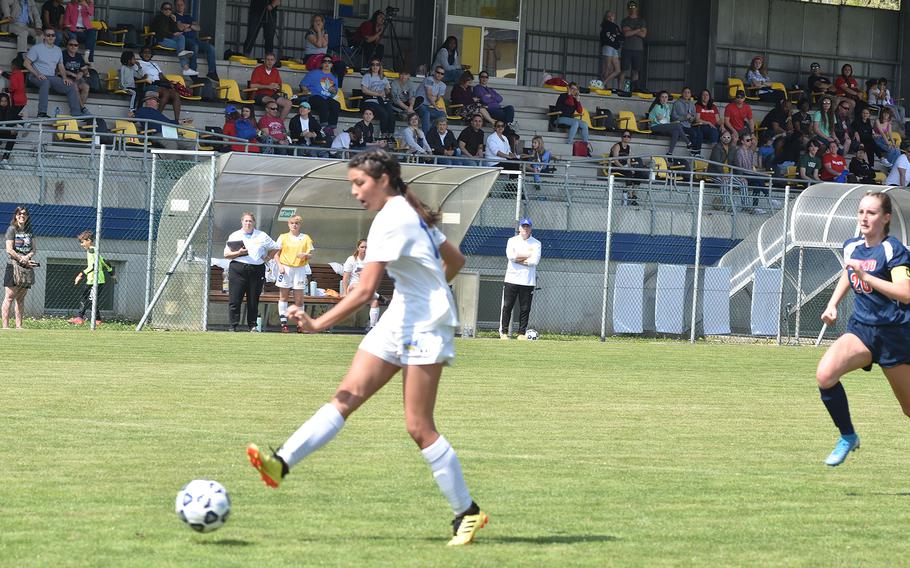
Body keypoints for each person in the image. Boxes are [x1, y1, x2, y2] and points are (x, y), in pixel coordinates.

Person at [247, 150, 488, 548]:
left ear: (383, 180)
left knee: (418, 427)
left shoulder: (392, 218)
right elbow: (456, 260)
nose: (355, 192)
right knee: (345, 396)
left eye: (359, 183)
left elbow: (363, 291)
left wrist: (318, 323)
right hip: (402, 316)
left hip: (424, 324)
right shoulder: (407, 212)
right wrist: (427, 287)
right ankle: (281, 462)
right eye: (352, 184)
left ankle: (469, 512)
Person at [815, 191, 910, 466]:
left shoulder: (894, 250)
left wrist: (866, 275)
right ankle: (847, 436)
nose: (864, 218)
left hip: (895, 335)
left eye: (871, 213)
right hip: (862, 331)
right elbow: (849, 273)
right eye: (861, 212)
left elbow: (905, 293)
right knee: (825, 376)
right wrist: (833, 304)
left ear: (886, 217)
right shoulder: (852, 246)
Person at [224, 211, 279, 332]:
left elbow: (276, 247)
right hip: (238, 269)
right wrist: (239, 253)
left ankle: (252, 325)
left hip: (256, 269)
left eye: (250, 221)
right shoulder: (235, 235)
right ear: (242, 222)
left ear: (254, 223)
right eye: (246, 221)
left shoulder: (262, 235)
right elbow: (226, 254)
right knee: (235, 299)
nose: (248, 223)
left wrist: (268, 257)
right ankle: (233, 326)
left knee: (253, 299)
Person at [24, 27, 85, 117]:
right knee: (45, 82)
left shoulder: (58, 50)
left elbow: (60, 65)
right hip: (35, 76)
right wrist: (37, 74)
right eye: (48, 35)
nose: (51, 37)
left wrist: (64, 77)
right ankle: (42, 113)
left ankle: (76, 113)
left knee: (71, 86)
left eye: (53, 35)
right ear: (44, 37)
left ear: (55, 37)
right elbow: (26, 63)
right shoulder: (36, 48)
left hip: (52, 77)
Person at [500, 217, 541, 340]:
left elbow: (534, 261)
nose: (525, 229)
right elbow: (511, 257)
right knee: (507, 306)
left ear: (531, 229)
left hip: (527, 281)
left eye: (527, 227)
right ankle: (504, 332)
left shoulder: (537, 243)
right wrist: (526, 257)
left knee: (525, 308)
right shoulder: (512, 241)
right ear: (519, 228)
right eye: (523, 226)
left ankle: (521, 334)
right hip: (511, 279)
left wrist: (519, 258)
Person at [273, 215, 314, 333]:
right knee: (284, 296)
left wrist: (305, 255)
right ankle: (284, 324)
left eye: (296, 223)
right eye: (292, 223)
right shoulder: (283, 237)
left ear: (300, 225)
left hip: (300, 269)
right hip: (286, 268)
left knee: (299, 299)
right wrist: (280, 266)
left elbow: (310, 254)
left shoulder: (305, 238)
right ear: (288, 224)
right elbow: (276, 254)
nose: (294, 225)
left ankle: (300, 325)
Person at [66, 229, 112, 325]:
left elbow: (93, 266)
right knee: (86, 298)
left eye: (82, 242)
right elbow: (105, 262)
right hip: (92, 280)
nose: (81, 244)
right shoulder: (95, 250)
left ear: (89, 240)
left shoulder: (91, 251)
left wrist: (80, 275)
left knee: (90, 300)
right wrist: (112, 273)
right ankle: (95, 319)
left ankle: (82, 318)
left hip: (97, 281)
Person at [3, 206, 36, 330]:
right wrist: (20, 258)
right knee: (9, 296)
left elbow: (34, 249)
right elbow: (9, 249)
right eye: (20, 214)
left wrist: (28, 256)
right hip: (13, 265)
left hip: (26, 267)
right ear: (16, 215)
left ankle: (19, 326)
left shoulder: (30, 231)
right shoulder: (11, 230)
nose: (22, 216)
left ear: (27, 216)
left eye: (25, 214)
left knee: (21, 298)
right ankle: (5, 326)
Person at [174, 0, 218, 81]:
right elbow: (180, 27)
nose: (179, 6)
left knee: (211, 48)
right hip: (183, 40)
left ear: (184, 6)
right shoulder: (174, 16)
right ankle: (193, 71)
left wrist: (189, 25)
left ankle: (212, 72)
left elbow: (198, 28)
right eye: (177, 5)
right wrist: (190, 26)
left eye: (181, 4)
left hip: (195, 39)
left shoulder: (188, 17)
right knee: (195, 46)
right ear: (175, 6)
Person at [341, 239, 380, 329]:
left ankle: (372, 327)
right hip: (353, 288)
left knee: (375, 302)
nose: (364, 249)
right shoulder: (351, 259)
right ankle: (377, 295)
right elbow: (346, 278)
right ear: (358, 248)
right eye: (362, 247)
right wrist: (345, 293)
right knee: (356, 285)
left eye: (367, 247)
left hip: (366, 290)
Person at [149, 2, 196, 76]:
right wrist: (172, 34)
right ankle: (185, 68)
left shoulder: (170, 19)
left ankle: (185, 66)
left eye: (169, 9)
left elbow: (175, 30)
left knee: (181, 37)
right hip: (160, 40)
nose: (168, 10)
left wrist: (174, 21)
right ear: (162, 10)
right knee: (180, 48)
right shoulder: (159, 18)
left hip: (169, 40)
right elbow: (160, 31)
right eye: (165, 9)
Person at [136, 46, 182, 120]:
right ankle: (157, 116)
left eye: (149, 53)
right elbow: (137, 75)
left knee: (176, 94)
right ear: (141, 54)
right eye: (145, 52)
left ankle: (177, 120)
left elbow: (162, 77)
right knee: (166, 93)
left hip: (159, 84)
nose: (147, 54)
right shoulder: (138, 63)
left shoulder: (154, 64)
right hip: (148, 84)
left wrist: (169, 82)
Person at [301, 13, 345, 87]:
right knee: (321, 64)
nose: (318, 22)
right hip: (311, 57)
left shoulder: (325, 32)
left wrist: (321, 32)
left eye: (319, 21)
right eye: (315, 21)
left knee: (340, 64)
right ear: (312, 23)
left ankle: (338, 87)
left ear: (322, 22)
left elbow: (324, 44)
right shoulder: (310, 33)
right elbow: (318, 45)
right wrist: (318, 31)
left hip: (322, 56)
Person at [300, 56, 340, 137]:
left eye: (329, 62)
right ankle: (323, 127)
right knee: (323, 103)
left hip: (326, 97)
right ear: (321, 64)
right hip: (313, 96)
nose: (327, 63)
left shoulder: (334, 76)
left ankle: (332, 128)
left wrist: (333, 91)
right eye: (325, 61)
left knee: (336, 104)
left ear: (332, 65)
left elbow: (335, 92)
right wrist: (305, 90)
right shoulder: (313, 73)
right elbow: (303, 84)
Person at [360, 58, 395, 137]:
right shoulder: (367, 76)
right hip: (369, 100)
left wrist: (386, 90)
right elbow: (364, 90)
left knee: (390, 112)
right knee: (384, 113)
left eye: (377, 64)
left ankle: (391, 134)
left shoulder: (383, 77)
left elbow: (388, 91)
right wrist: (377, 94)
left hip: (381, 100)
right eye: (373, 64)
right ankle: (384, 134)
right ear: (371, 66)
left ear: (380, 66)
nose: (375, 66)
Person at [250, 52, 290, 120]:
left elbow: (279, 86)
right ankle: (269, 123)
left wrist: (277, 87)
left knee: (288, 103)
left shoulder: (275, 71)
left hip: (272, 94)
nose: (269, 62)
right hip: (259, 94)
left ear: (274, 61)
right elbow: (252, 85)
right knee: (272, 102)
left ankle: (279, 123)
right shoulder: (258, 69)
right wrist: (268, 86)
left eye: (272, 60)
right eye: (268, 59)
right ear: (264, 61)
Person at [648, 90, 688, 156]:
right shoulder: (657, 106)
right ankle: (688, 142)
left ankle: (670, 153)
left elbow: (667, 120)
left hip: (663, 126)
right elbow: (661, 121)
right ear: (659, 98)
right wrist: (666, 122)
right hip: (655, 126)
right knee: (677, 125)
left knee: (676, 131)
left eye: (666, 97)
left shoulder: (667, 106)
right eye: (662, 97)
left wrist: (666, 122)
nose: (664, 99)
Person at [618, 0, 646, 92]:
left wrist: (631, 31)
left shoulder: (642, 21)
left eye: (634, 8)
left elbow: (643, 35)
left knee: (635, 70)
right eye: (630, 8)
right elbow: (626, 34)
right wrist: (638, 30)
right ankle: (620, 89)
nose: (632, 9)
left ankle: (633, 89)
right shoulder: (625, 20)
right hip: (627, 48)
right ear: (628, 9)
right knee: (623, 70)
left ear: (636, 8)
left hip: (638, 49)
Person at [554, 82, 591, 151]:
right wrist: (569, 95)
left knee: (584, 124)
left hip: (569, 119)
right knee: (575, 123)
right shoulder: (563, 96)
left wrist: (578, 101)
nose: (574, 91)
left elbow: (580, 111)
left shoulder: (574, 98)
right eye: (572, 89)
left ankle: (586, 145)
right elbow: (570, 103)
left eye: (576, 89)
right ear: (568, 88)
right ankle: (569, 143)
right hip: (559, 118)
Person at [670, 86, 702, 156]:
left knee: (699, 133)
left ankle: (697, 152)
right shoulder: (677, 103)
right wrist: (684, 117)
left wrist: (691, 118)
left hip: (689, 125)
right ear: (682, 93)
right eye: (685, 92)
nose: (686, 94)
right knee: (693, 133)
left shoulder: (692, 104)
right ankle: (692, 151)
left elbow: (693, 116)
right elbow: (673, 117)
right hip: (680, 125)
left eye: (688, 92)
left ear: (690, 94)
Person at [61, 37, 90, 110]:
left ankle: (79, 109)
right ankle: (82, 108)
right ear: (67, 46)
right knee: (75, 87)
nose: (73, 47)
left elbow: (84, 69)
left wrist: (81, 72)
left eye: (75, 45)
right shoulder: (62, 54)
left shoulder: (79, 56)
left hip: (77, 79)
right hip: (65, 79)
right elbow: (58, 69)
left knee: (86, 87)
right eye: (71, 45)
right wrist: (71, 73)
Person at [419, 66, 447, 136]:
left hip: (428, 106)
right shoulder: (429, 79)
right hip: (419, 105)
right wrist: (435, 106)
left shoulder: (443, 85)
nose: (439, 74)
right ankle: (426, 136)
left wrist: (433, 97)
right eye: (438, 72)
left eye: (442, 73)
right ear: (434, 72)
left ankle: (431, 133)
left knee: (442, 114)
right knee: (426, 113)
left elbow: (437, 98)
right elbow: (429, 95)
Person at [599, 10, 622, 89]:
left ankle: (604, 82)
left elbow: (621, 36)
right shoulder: (605, 25)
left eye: (612, 15)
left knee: (617, 70)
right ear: (606, 17)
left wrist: (618, 35)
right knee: (608, 68)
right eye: (609, 15)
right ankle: (606, 87)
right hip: (608, 47)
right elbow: (604, 36)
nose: (611, 16)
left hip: (614, 48)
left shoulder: (615, 26)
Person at [0, 93, 19, 169]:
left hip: (3, 132)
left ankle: (5, 160)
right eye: (1, 101)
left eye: (5, 101)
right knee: (11, 133)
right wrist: (9, 131)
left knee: (13, 134)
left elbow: (15, 119)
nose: (3, 103)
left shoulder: (9, 111)